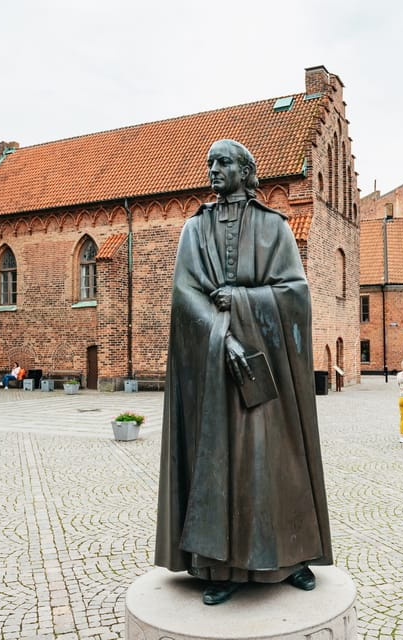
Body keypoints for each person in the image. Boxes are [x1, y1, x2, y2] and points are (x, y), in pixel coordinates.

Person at [155, 139, 332, 606]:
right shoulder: (195, 230)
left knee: (274, 458)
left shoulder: (276, 228)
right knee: (221, 461)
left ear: (246, 170)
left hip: (268, 369)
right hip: (216, 368)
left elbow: (296, 294)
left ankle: (290, 557)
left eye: (224, 162)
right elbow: (184, 295)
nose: (214, 169)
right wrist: (224, 340)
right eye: (210, 162)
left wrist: (243, 301)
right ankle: (221, 564)